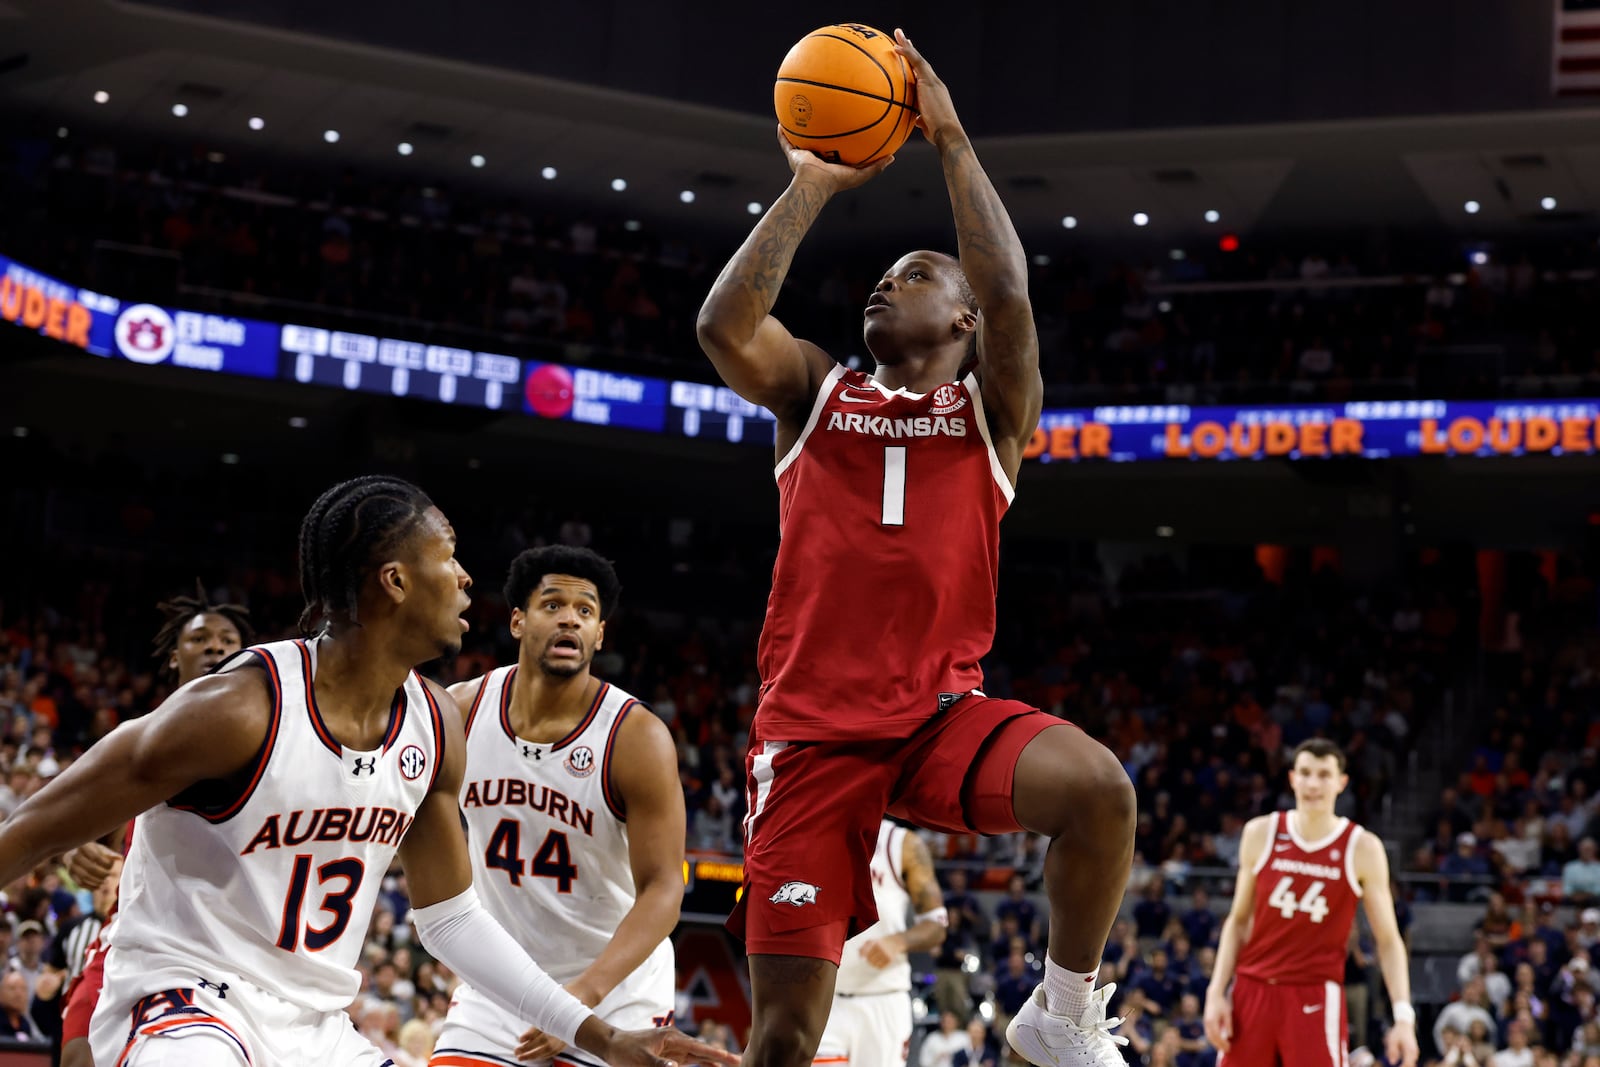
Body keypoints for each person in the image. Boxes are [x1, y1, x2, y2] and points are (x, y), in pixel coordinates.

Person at [696, 26, 1134, 1067]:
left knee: (1099, 789)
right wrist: (811, 181)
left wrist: (948, 140)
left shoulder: (994, 411)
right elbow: (723, 326)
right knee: (786, 1038)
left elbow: (1016, 294)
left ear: (965, 318)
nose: (884, 285)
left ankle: (1060, 1011)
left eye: (915, 273)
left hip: (937, 715)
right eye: (883, 276)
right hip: (809, 739)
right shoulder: (813, 389)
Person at [0, 476, 732, 1067]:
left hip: (318, 1025)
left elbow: (452, 920)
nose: (467, 576)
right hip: (190, 1001)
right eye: (448, 556)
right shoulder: (237, 709)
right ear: (394, 581)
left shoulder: (433, 723)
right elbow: (30, 830)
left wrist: (601, 1035)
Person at [432, 546, 686, 1067]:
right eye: (553, 605)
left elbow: (664, 886)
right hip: (504, 983)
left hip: (614, 989)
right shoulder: (461, 710)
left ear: (599, 635)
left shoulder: (636, 737)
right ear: (518, 621)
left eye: (586, 611)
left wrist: (582, 997)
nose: (570, 617)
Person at [58, 581, 254, 1067]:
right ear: (173, 657)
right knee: (80, 1051)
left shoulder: (272, 742)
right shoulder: (142, 740)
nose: (215, 646)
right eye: (200, 638)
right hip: (136, 937)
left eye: (228, 641)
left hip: (238, 951)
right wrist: (71, 850)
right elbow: (65, 822)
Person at [1202, 739, 1419, 1067]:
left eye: (1323, 774)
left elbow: (1388, 940)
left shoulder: (1362, 847)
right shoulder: (1261, 832)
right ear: (1292, 778)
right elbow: (1238, 921)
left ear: (1341, 783)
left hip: (1314, 995)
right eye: (1305, 773)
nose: (1313, 784)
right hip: (1251, 990)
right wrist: (1216, 992)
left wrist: (1403, 1016)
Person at [812, 820, 947, 1067]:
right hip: (824, 999)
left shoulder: (902, 843)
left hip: (883, 998)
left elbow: (936, 926)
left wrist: (898, 941)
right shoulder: (813, 834)